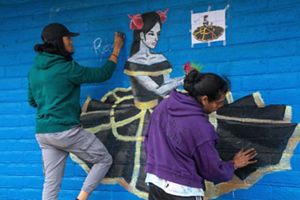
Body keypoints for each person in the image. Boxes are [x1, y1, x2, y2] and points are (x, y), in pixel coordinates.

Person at [28, 23, 124, 200]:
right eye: (68, 38)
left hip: (44, 134)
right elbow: (102, 74)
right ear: (59, 41)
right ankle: (81, 198)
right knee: (104, 160)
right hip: (66, 131)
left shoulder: (34, 71)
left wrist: (50, 102)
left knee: (51, 184)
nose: (71, 42)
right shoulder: (67, 68)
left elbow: (32, 101)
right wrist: (116, 50)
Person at [144, 70, 257, 200]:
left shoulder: (164, 106)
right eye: (219, 102)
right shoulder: (201, 128)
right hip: (182, 192)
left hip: (155, 181)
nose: (219, 107)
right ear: (204, 99)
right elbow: (211, 170)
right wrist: (234, 164)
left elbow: (148, 141)